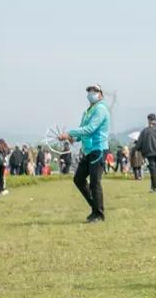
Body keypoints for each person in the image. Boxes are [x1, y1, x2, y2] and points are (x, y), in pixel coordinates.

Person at [59, 82, 111, 222]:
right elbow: (82, 131)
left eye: (94, 91)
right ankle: (95, 208)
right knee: (78, 179)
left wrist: (69, 132)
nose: (91, 93)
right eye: (89, 91)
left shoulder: (101, 109)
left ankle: (98, 214)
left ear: (100, 95)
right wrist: (72, 138)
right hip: (88, 150)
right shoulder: (88, 112)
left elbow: (90, 129)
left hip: (98, 149)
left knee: (95, 182)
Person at [138, 113, 156, 194]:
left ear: (148, 120)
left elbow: (139, 143)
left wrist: (139, 149)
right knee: (154, 171)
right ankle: (153, 187)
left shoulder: (145, 131)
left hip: (149, 153)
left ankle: (155, 188)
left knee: (153, 171)